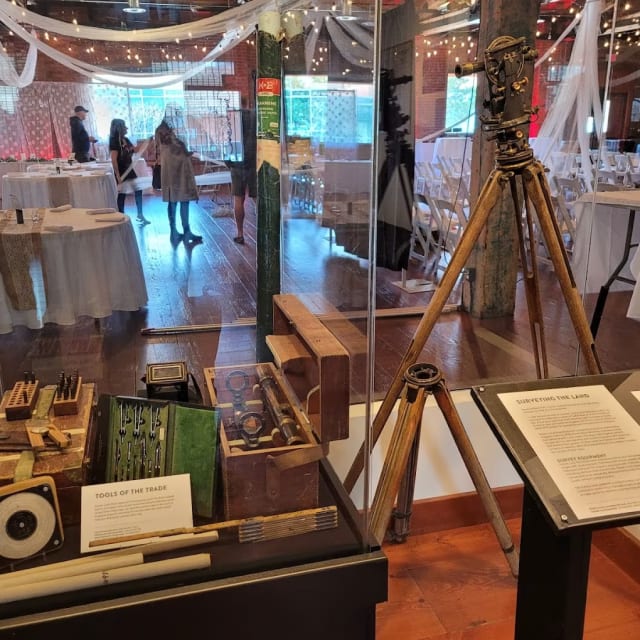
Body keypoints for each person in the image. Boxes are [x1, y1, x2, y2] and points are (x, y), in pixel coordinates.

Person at [154, 119, 202, 245]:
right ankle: (181, 231)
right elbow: (180, 147)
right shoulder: (168, 130)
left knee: (176, 199)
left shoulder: (163, 129)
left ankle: (179, 230)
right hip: (177, 168)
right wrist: (190, 150)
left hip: (173, 168)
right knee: (179, 199)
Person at [109, 119, 150, 225]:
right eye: (124, 126)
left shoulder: (125, 139)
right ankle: (121, 215)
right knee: (122, 193)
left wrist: (146, 142)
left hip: (129, 169)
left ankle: (140, 215)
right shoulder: (114, 141)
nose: (126, 128)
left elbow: (134, 150)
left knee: (138, 189)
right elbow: (114, 159)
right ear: (119, 128)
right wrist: (118, 175)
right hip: (121, 171)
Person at [228, 96, 257, 245]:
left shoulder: (233, 118)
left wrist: (229, 161)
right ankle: (263, 233)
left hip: (237, 162)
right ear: (247, 102)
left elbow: (228, 140)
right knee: (258, 199)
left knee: (238, 199)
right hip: (254, 162)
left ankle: (240, 233)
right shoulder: (256, 115)